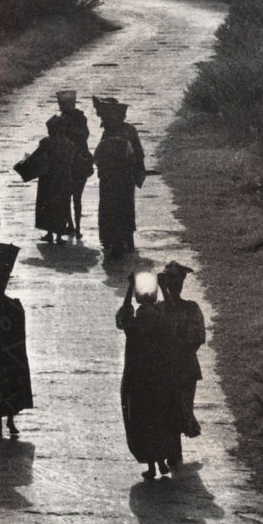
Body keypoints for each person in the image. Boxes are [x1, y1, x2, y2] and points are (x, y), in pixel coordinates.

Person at [116, 271, 182, 479]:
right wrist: (163, 286)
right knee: (161, 418)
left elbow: (123, 315)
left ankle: (152, 465)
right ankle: (161, 461)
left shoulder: (133, 325)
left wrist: (129, 289)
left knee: (142, 420)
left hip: (138, 380)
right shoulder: (163, 322)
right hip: (161, 378)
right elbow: (173, 312)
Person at [0, 242, 33, 437]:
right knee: (7, 386)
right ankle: (7, 423)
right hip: (4, 355)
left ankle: (3, 424)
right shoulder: (13, 306)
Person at [158, 260, 206, 464]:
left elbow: (197, 338)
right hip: (177, 366)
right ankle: (173, 450)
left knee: (180, 408)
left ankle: (174, 449)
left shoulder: (189, 308)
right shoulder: (162, 308)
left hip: (183, 366)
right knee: (172, 408)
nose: (174, 286)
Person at [92, 98, 146, 259]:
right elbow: (139, 154)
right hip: (125, 178)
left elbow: (98, 156)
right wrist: (139, 171)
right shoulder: (129, 130)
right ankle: (127, 241)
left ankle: (109, 240)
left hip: (110, 178)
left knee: (109, 208)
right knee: (126, 208)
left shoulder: (110, 132)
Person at [13, 116, 77, 244]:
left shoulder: (46, 142)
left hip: (48, 177)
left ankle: (49, 234)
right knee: (61, 205)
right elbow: (72, 160)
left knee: (47, 204)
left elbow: (35, 156)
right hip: (64, 177)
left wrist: (23, 164)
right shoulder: (70, 144)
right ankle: (59, 236)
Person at [52, 90, 93, 240]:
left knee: (69, 197)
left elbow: (84, 135)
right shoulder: (78, 118)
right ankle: (74, 226)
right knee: (73, 197)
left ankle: (74, 226)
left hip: (74, 161)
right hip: (78, 160)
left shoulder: (78, 119)